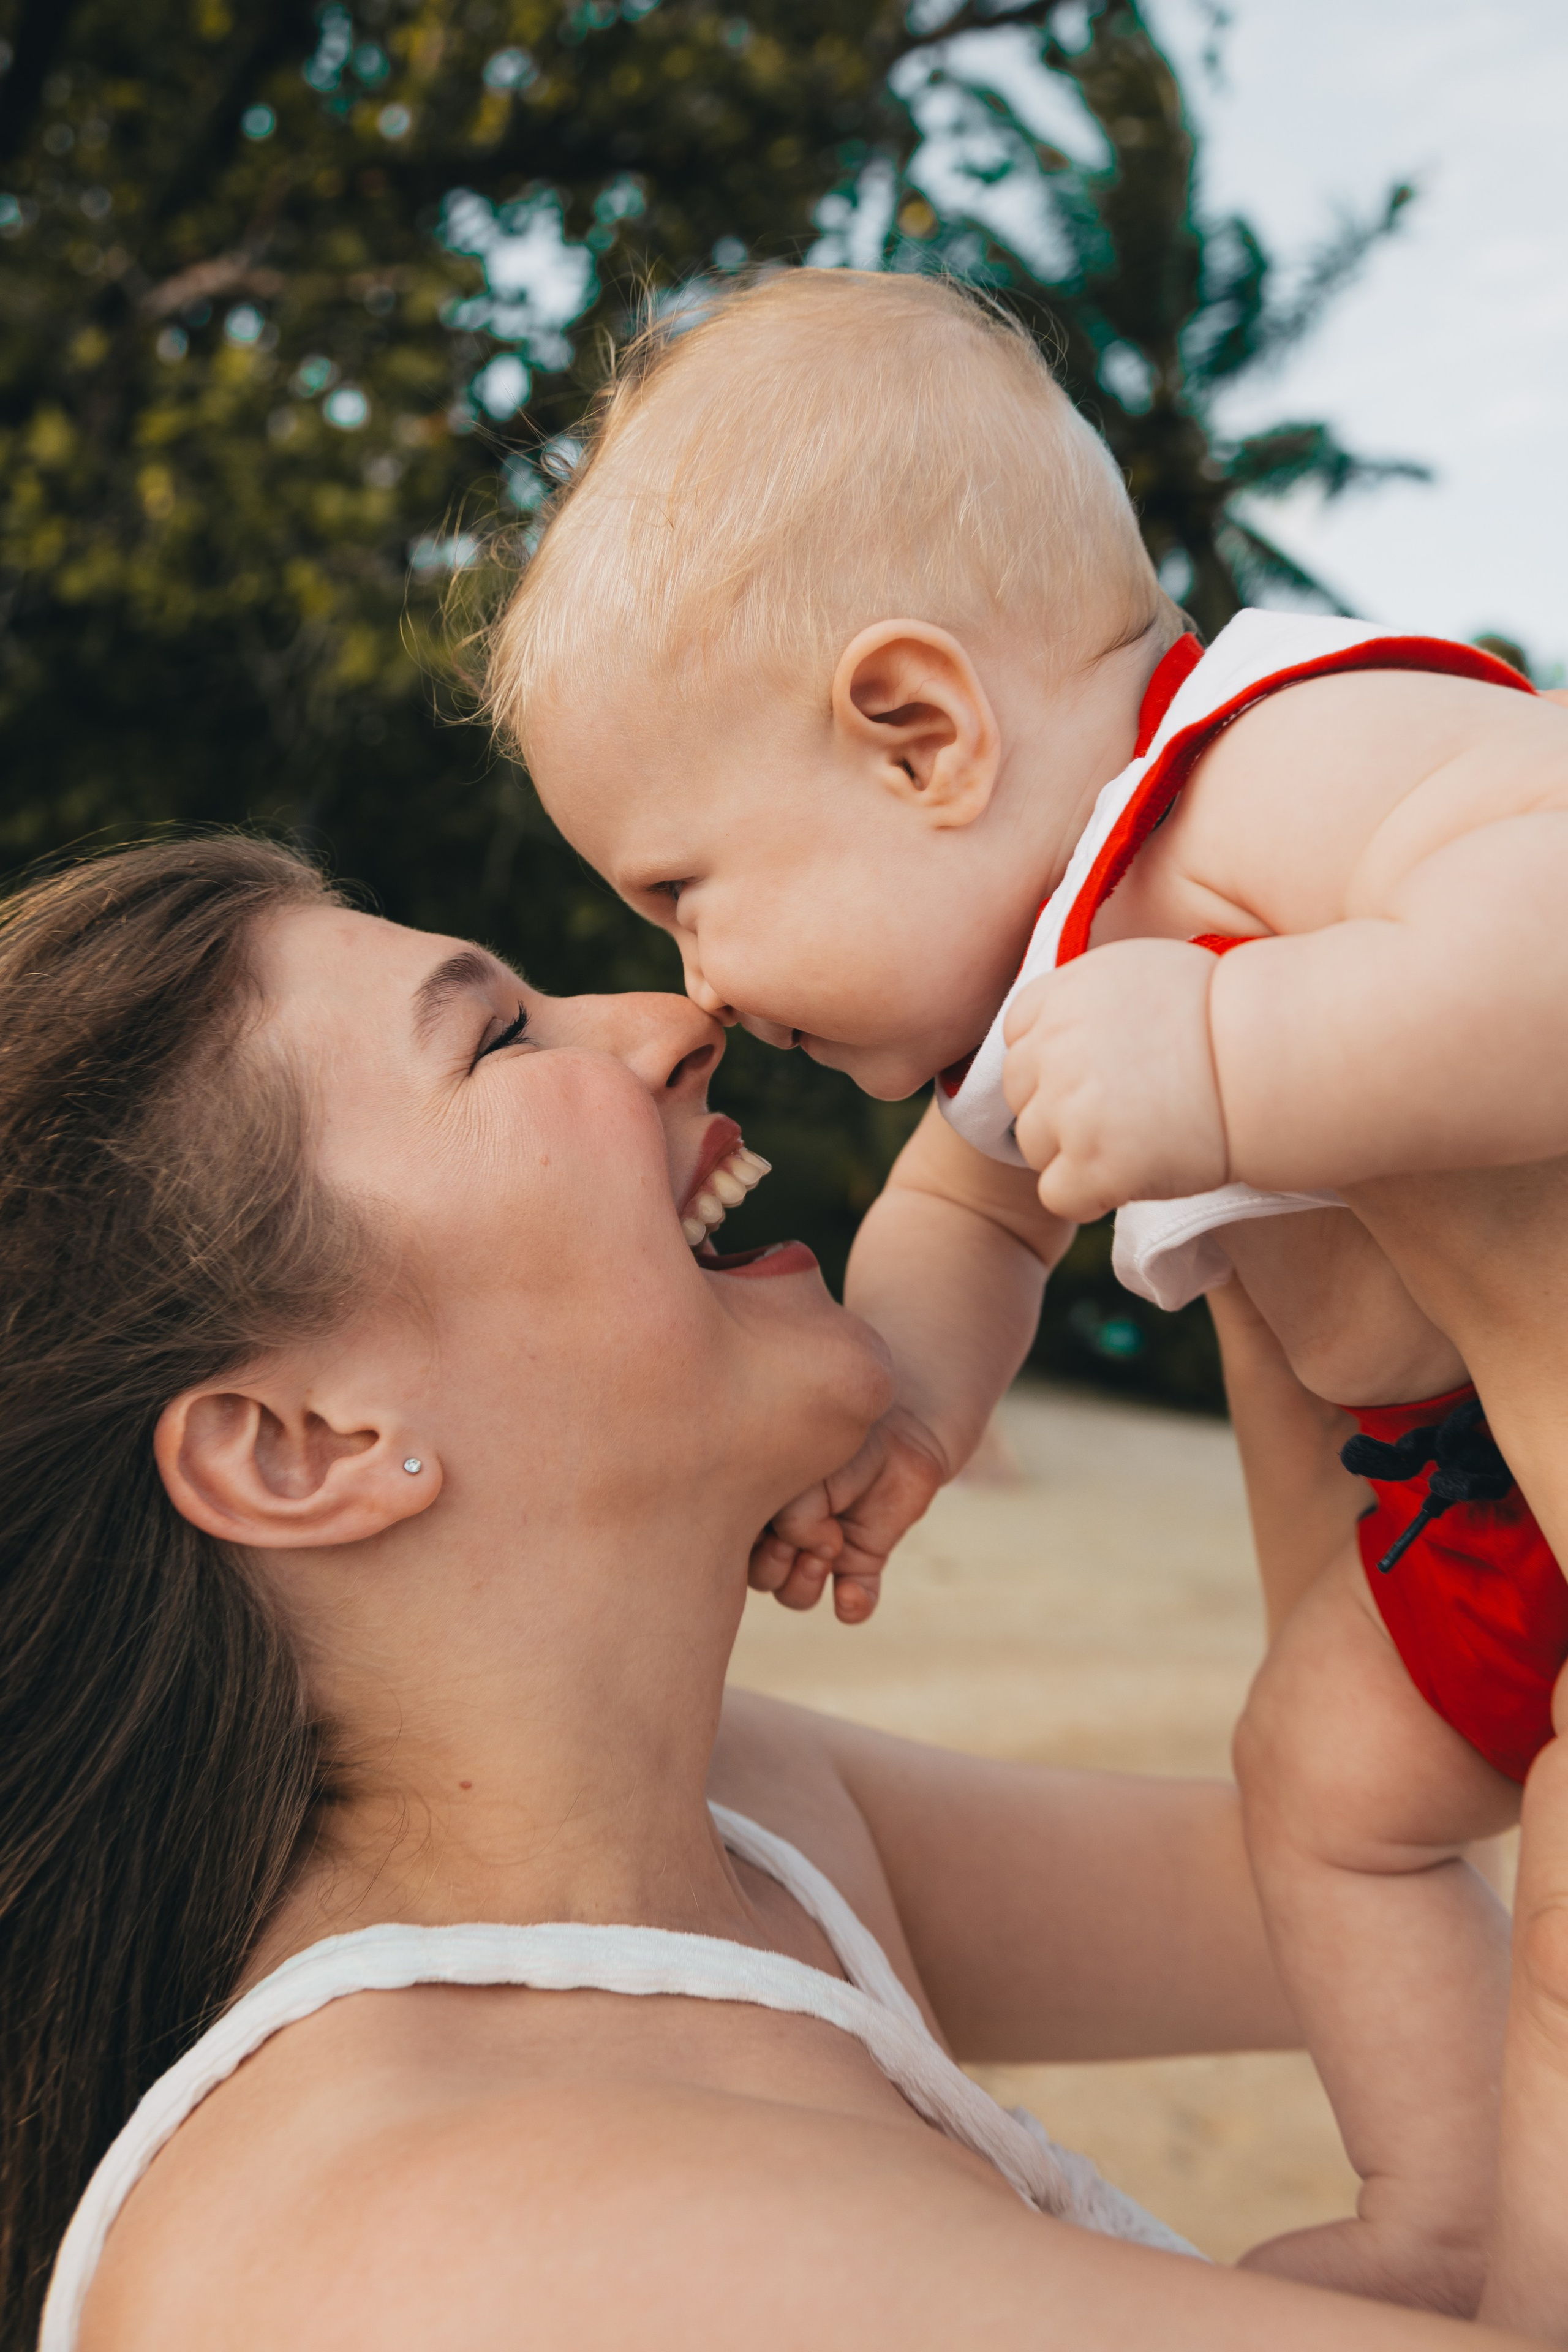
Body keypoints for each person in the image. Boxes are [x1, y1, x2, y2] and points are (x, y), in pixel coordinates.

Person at [0, 835, 1555, 2352]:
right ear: (302, 1448)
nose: (685, 1019)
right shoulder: (495, 2251)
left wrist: (1291, 1218)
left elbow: (1360, 1849)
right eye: (494, 1038)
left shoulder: (738, 1826)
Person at [483, 264, 1568, 2310]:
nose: (700, 988)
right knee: (1317, 1790)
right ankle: (1444, 2201)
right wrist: (900, 1403)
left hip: (1513, 1458)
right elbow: (968, 1226)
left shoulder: (1273, 764)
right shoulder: (1044, 983)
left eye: (685, 892)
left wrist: (1245, 1060)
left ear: (917, 734)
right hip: (1471, 1501)